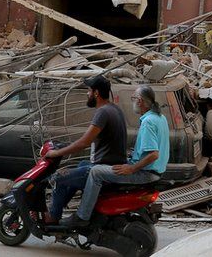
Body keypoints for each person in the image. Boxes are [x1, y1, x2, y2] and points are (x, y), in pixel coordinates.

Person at [63, 84, 169, 227]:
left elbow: (154, 154)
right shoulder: (160, 117)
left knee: (95, 172)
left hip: (145, 173)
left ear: (140, 101)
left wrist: (131, 169)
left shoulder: (148, 122)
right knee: (93, 167)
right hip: (155, 172)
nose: (133, 103)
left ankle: (82, 216)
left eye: (133, 99)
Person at [43, 74, 127, 223]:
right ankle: (61, 211)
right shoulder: (114, 109)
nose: (87, 94)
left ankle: (53, 217)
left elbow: (83, 143)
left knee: (58, 177)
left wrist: (56, 152)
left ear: (96, 93)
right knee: (80, 165)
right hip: (110, 164)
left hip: (102, 168)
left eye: (88, 91)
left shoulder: (102, 112)